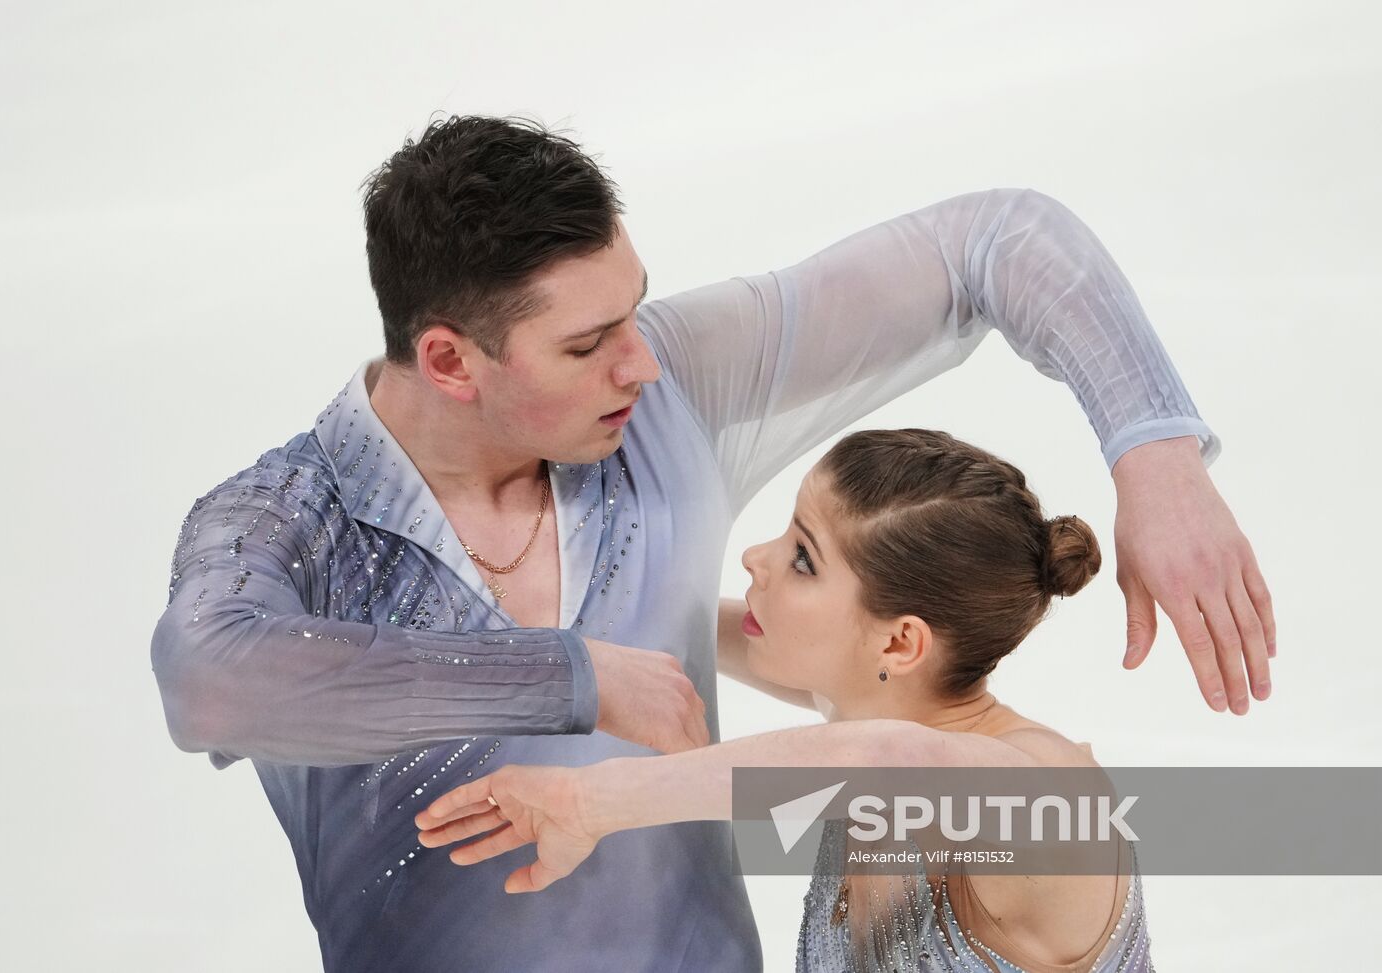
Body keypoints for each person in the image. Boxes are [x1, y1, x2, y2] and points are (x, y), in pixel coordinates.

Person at [150, 114, 1268, 971]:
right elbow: (211, 683)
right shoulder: (281, 524)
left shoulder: (664, 398)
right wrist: (573, 677)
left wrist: (1155, 455)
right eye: (587, 342)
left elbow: (996, 237)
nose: (637, 362)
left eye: (631, 313)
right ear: (449, 360)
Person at [415, 428, 1152, 972]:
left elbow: (885, 762)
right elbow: (674, 617)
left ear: (899, 645)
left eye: (803, 559)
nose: (756, 559)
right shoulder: (870, 708)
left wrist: (591, 801)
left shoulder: (1045, 796)